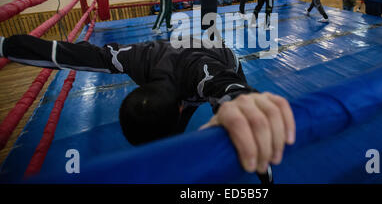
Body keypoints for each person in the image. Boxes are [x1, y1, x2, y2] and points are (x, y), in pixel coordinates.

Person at [0, 34, 296, 180]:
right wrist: (5, 46)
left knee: (243, 125)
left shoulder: (202, 73)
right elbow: (70, 54)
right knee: (171, 134)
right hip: (179, 59)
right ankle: (170, 154)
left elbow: (225, 85)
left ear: (180, 107)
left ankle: (264, 177)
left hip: (219, 59)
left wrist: (242, 100)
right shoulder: (137, 58)